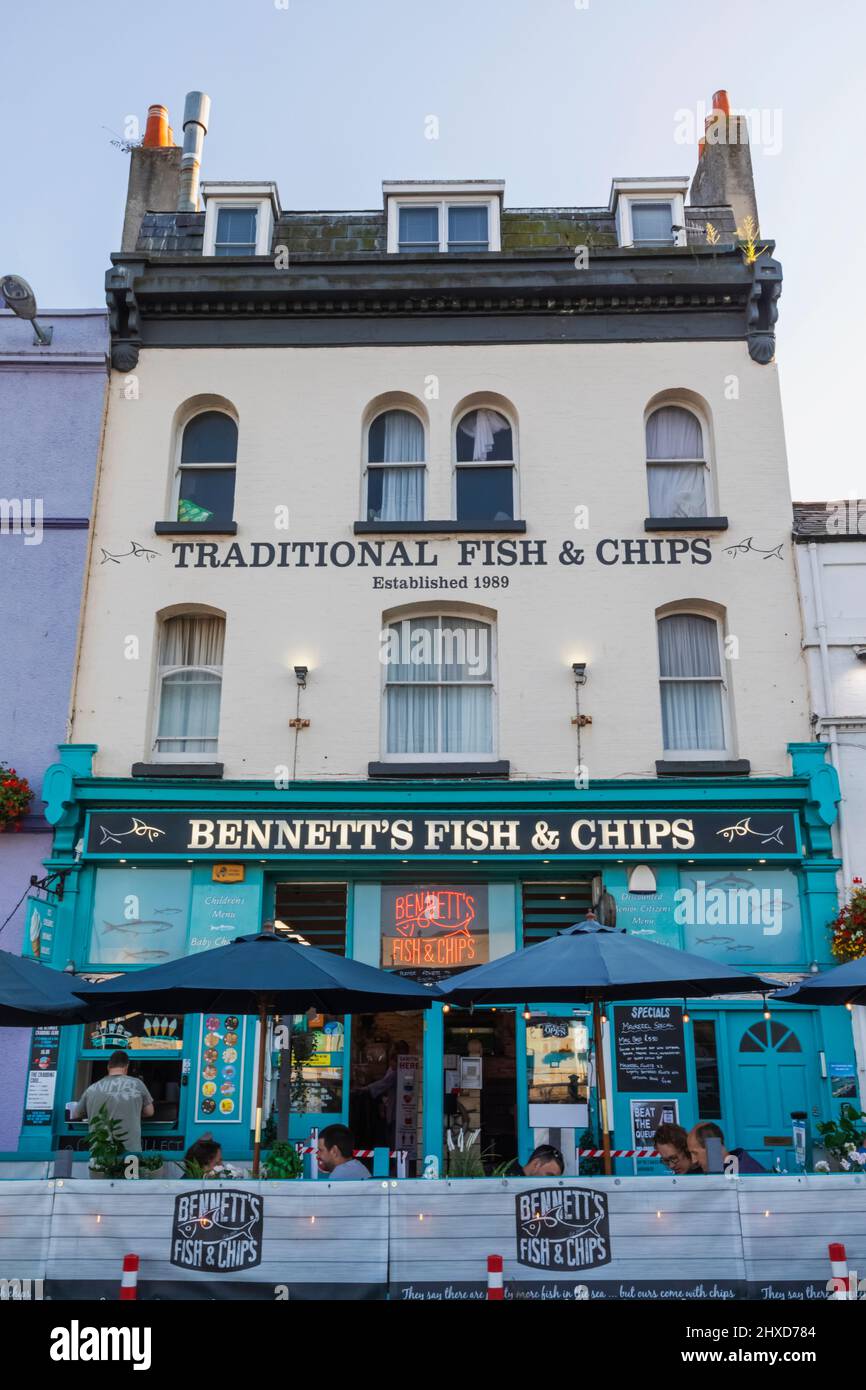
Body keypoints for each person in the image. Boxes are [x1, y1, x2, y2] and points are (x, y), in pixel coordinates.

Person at [72, 1050, 154, 1152]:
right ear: (127, 1066)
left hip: (100, 1152)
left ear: (108, 1066)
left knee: (100, 1168)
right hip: (129, 1151)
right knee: (128, 1168)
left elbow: (76, 1114)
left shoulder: (92, 1088)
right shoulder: (137, 1084)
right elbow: (149, 1112)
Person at [687, 1121, 766, 1174]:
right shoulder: (718, 1168)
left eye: (695, 1153)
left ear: (712, 1147)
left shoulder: (747, 1173)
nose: (694, 1161)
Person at [500, 1143, 565, 1178]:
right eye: (549, 1175)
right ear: (536, 1164)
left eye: (555, 1179)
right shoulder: (505, 1176)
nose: (552, 1182)